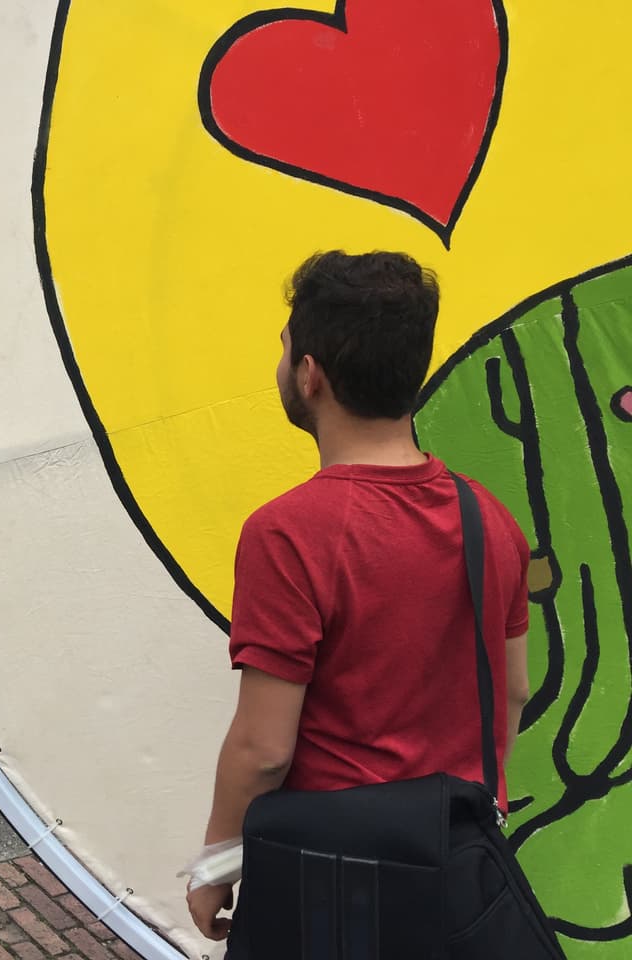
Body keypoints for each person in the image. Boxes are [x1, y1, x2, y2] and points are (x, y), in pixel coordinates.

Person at [185, 251, 532, 946]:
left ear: (311, 376)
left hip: (332, 882)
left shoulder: (287, 533)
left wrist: (217, 861)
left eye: (285, 350)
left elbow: (263, 748)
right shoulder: (487, 516)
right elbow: (514, 691)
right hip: (453, 868)